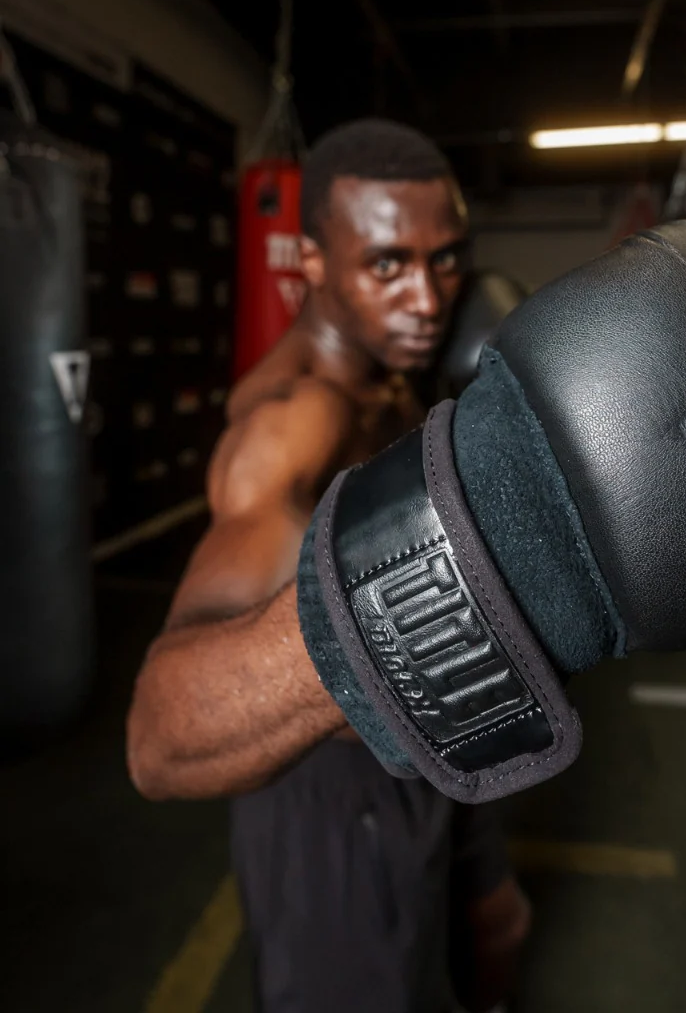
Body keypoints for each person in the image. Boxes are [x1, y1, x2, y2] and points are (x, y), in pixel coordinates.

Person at [127, 119, 531, 1013]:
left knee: (496, 932)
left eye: (447, 259)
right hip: (337, 801)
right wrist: (401, 642)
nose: (428, 299)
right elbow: (159, 740)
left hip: (436, 741)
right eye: (387, 264)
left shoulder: (394, 364)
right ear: (310, 262)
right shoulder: (290, 426)